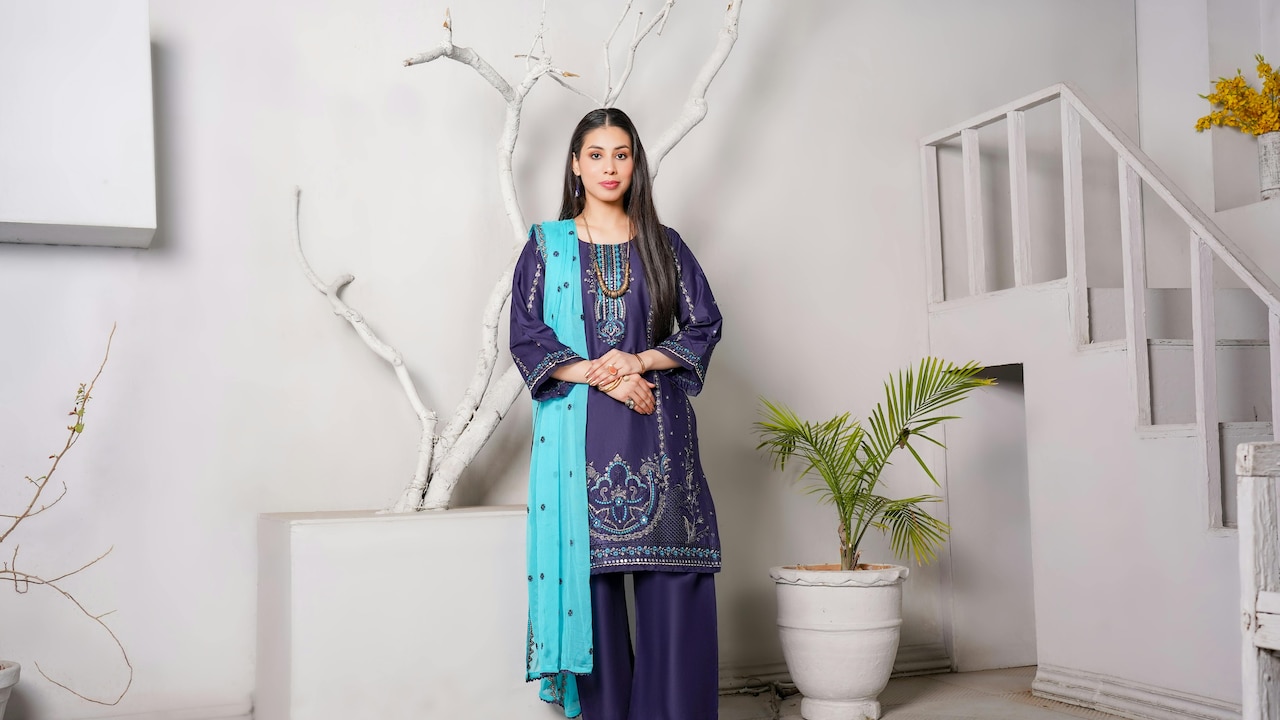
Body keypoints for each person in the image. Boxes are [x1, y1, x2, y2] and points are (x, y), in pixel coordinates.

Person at [510, 107, 724, 720]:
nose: (610, 167)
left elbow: (704, 325)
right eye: (597, 154)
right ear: (576, 165)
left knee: (674, 593)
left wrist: (640, 361)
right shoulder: (546, 248)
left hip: (660, 438)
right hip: (580, 445)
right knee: (592, 596)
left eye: (622, 155)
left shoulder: (664, 244)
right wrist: (607, 375)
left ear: (636, 164)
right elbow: (527, 336)